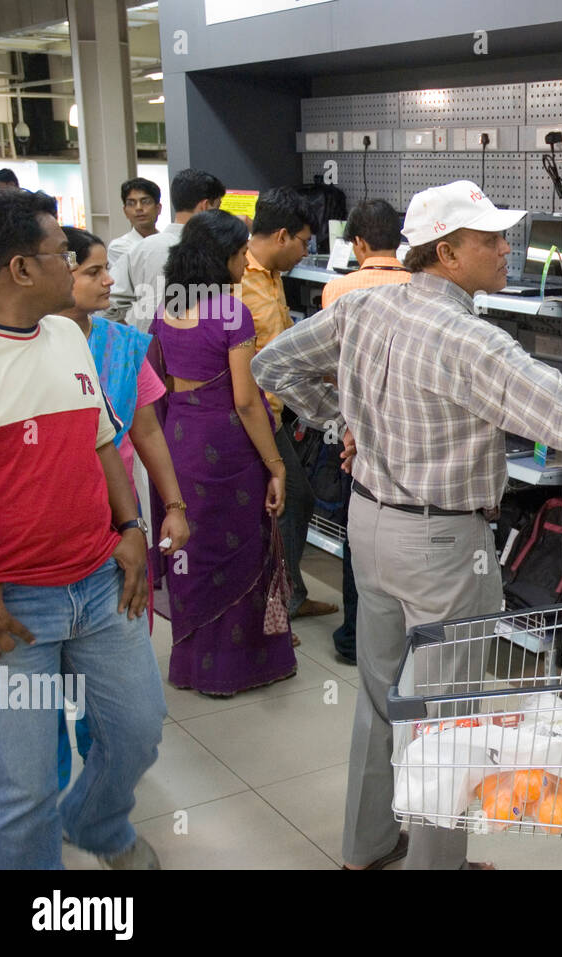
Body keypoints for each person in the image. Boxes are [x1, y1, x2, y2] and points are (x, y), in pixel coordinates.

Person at [253, 179, 562, 871]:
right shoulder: (472, 341)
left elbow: (273, 364)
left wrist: (341, 423)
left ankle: (366, 847)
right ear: (447, 252)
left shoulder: (365, 306)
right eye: (488, 238)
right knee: (446, 724)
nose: (505, 248)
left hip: (369, 527)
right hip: (442, 548)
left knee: (380, 699)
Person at [0, 188, 166, 870]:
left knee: (137, 731)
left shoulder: (66, 335)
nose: (84, 268)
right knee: (18, 792)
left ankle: (94, 822)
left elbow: (99, 442)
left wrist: (130, 526)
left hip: (97, 586)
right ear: (21, 270)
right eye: (64, 255)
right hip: (9, 610)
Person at [52, 227, 191, 785]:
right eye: (93, 271)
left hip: (120, 524)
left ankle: (101, 785)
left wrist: (173, 506)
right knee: (34, 707)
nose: (111, 279)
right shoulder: (14, 349)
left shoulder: (123, 345)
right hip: (45, 536)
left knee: (113, 689)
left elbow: (149, 431)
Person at [148, 209, 297, 696]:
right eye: (238, 254)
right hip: (228, 445)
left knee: (193, 550)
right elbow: (246, 400)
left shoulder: (166, 308)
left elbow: (160, 385)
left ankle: (192, 662)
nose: (243, 262)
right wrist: (275, 465)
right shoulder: (233, 312)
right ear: (224, 259)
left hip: (180, 439)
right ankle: (235, 667)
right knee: (238, 550)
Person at [319, 198, 412, 665]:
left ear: (357, 242)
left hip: (354, 430)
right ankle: (408, 641)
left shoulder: (337, 290)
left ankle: (356, 639)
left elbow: (331, 363)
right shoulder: (423, 286)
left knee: (360, 533)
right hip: (413, 429)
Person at [241, 187, 335, 623]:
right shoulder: (238, 278)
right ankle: (275, 606)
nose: (305, 252)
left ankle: (286, 597)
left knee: (292, 501)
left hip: (278, 411)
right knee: (290, 500)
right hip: (252, 416)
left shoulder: (273, 275)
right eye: (303, 242)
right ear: (281, 235)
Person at [107, 168, 225, 328]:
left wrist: (131, 336)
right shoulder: (212, 251)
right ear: (205, 206)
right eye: (217, 208)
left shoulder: (141, 248)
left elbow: (108, 302)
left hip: (145, 347)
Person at [106, 178, 162, 270]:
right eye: (131, 203)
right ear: (125, 212)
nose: (138, 208)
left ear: (158, 208)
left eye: (145, 202)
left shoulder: (169, 242)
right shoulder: (118, 247)